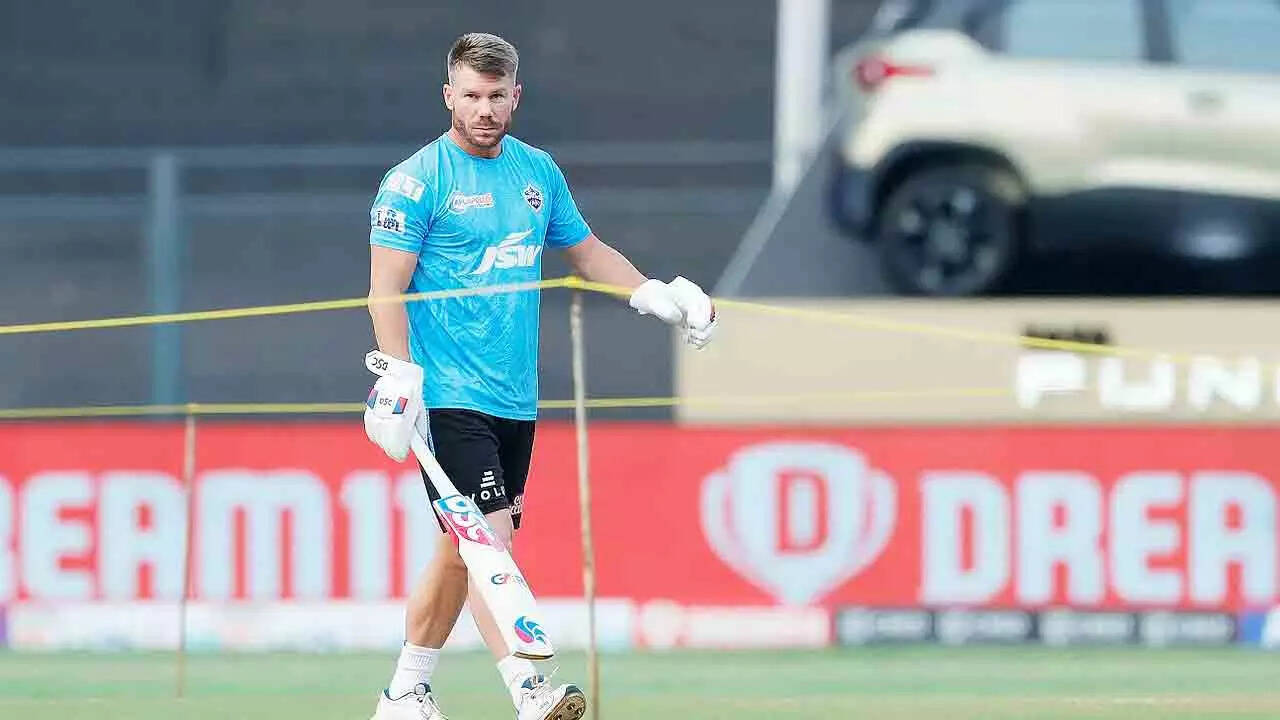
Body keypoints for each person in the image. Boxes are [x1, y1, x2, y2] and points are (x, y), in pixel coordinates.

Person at [362, 32, 717, 720]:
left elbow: (586, 251)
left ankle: (405, 693)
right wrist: (399, 375)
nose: (484, 108)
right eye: (471, 95)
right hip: (447, 397)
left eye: (496, 95)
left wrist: (657, 295)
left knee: (461, 551)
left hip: (515, 400)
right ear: (448, 96)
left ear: (516, 96)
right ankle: (532, 693)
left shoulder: (537, 173)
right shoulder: (416, 181)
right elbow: (385, 288)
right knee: (488, 542)